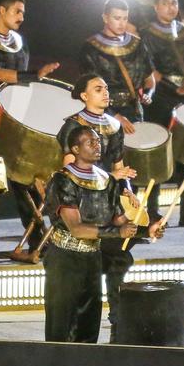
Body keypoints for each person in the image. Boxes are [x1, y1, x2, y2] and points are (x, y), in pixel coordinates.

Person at [42, 127, 163, 343]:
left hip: (92, 257)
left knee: (89, 325)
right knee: (61, 327)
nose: (97, 145)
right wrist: (118, 231)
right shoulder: (63, 180)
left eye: (98, 141)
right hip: (65, 260)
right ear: (76, 149)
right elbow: (76, 228)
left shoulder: (107, 180)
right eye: (90, 142)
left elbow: (116, 220)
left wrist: (145, 227)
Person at [0, 0, 60, 258]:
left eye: (23, 12)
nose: (22, 17)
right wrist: (33, 75)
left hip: (17, 117)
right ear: (2, 11)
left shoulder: (20, 42)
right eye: (17, 11)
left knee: (24, 177)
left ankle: (35, 237)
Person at [57, 75, 139, 342]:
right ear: (83, 95)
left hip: (109, 201)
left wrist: (126, 188)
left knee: (119, 259)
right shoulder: (73, 126)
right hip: (84, 205)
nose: (105, 93)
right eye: (98, 89)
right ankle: (73, 336)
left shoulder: (114, 126)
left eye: (106, 88)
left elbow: (118, 166)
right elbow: (72, 170)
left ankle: (117, 322)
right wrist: (110, 181)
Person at [141, 0, 184, 227]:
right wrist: (174, 89)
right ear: (156, 7)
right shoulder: (146, 35)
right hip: (159, 98)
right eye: (166, 3)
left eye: (174, 2)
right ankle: (152, 210)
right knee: (159, 152)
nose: (171, 7)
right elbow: (151, 73)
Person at [79, 0, 156, 133]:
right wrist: (116, 117)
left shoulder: (137, 44)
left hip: (134, 111)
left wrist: (148, 94)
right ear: (105, 17)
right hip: (104, 114)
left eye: (125, 18)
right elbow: (90, 90)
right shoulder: (91, 48)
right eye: (117, 18)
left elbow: (150, 80)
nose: (122, 23)